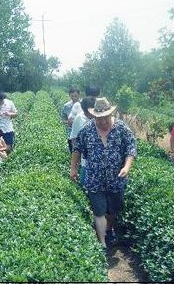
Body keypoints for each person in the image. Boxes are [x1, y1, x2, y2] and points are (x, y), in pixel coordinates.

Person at [70, 97, 137, 250]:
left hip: (116, 179)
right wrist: (73, 168)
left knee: (114, 209)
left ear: (110, 115)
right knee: (99, 210)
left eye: (105, 118)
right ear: (94, 116)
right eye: (99, 119)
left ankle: (108, 229)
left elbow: (131, 149)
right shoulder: (87, 130)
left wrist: (126, 167)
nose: (102, 122)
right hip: (95, 178)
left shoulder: (121, 128)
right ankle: (102, 242)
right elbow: (77, 149)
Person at [70, 97, 96, 187]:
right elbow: (75, 141)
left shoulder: (103, 120)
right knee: (85, 189)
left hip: (103, 168)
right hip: (86, 163)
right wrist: (75, 165)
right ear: (84, 111)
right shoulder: (80, 118)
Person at [61, 87, 81, 153]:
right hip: (70, 133)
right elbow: (63, 119)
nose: (74, 98)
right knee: (73, 152)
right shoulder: (66, 106)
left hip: (81, 133)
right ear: (69, 95)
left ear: (79, 95)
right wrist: (68, 122)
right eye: (72, 96)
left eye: (76, 96)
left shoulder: (83, 104)